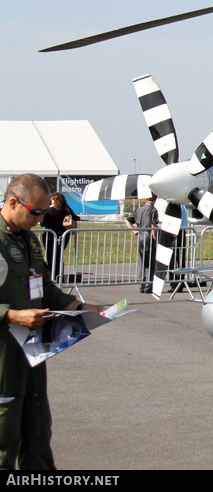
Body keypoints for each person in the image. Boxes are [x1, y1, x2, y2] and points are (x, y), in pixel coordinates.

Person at [0, 173, 105, 469]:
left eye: (45, 212)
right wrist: (10, 314)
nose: (42, 218)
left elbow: (43, 287)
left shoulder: (31, 241)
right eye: (36, 212)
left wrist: (79, 307)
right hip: (3, 355)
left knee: (37, 430)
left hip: (31, 352)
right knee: (3, 436)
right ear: (12, 202)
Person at [40, 193, 78, 283]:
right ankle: (59, 276)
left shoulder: (49, 211)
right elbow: (76, 217)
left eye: (52, 199)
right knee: (59, 255)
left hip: (50, 235)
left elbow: (42, 223)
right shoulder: (67, 210)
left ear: (55, 200)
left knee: (50, 256)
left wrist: (47, 209)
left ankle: (51, 276)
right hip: (64, 235)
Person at [125, 194, 159, 293]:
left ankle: (142, 283)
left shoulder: (139, 210)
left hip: (140, 235)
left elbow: (127, 220)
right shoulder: (153, 210)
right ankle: (149, 285)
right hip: (148, 235)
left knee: (142, 260)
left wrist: (133, 230)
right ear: (155, 200)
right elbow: (153, 224)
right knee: (150, 261)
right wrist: (155, 238)